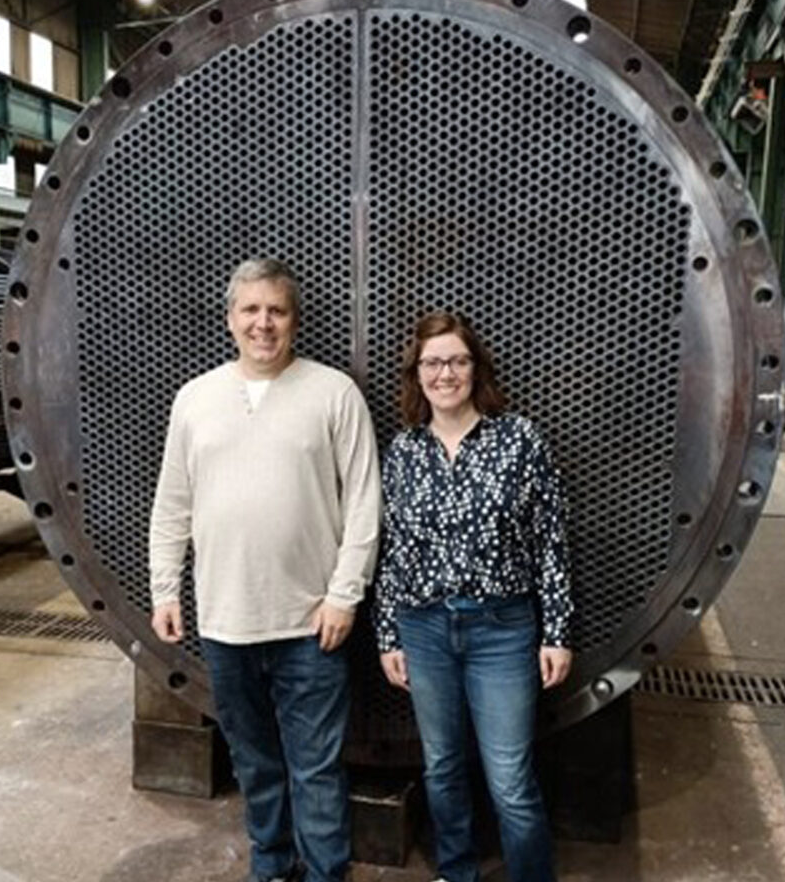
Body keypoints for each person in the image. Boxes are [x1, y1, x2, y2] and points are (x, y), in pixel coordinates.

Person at [149, 258, 381, 882]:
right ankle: (273, 867)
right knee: (254, 762)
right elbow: (172, 504)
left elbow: (364, 504)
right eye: (250, 310)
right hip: (225, 622)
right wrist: (165, 589)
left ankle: (325, 873)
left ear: (295, 320)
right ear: (230, 319)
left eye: (276, 310)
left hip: (311, 624)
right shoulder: (195, 398)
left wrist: (344, 596)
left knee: (316, 767)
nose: (263, 323)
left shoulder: (333, 393)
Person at [373, 312, 572, 882]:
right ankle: (455, 871)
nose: (446, 374)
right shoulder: (404, 450)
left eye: (457, 361)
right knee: (442, 766)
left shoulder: (519, 439)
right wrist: (388, 634)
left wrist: (557, 632)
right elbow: (393, 548)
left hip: (502, 629)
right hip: (424, 628)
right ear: (417, 373)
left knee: (509, 777)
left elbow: (551, 540)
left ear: (476, 368)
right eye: (433, 363)